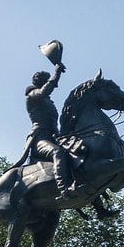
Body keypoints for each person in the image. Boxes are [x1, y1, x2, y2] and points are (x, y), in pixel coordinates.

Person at [24, 62, 77, 201]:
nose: (53, 85)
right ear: (41, 83)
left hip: (54, 137)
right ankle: (63, 188)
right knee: (57, 152)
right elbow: (44, 91)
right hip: (40, 139)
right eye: (47, 81)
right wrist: (56, 73)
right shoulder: (32, 95)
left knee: (77, 155)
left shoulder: (47, 101)